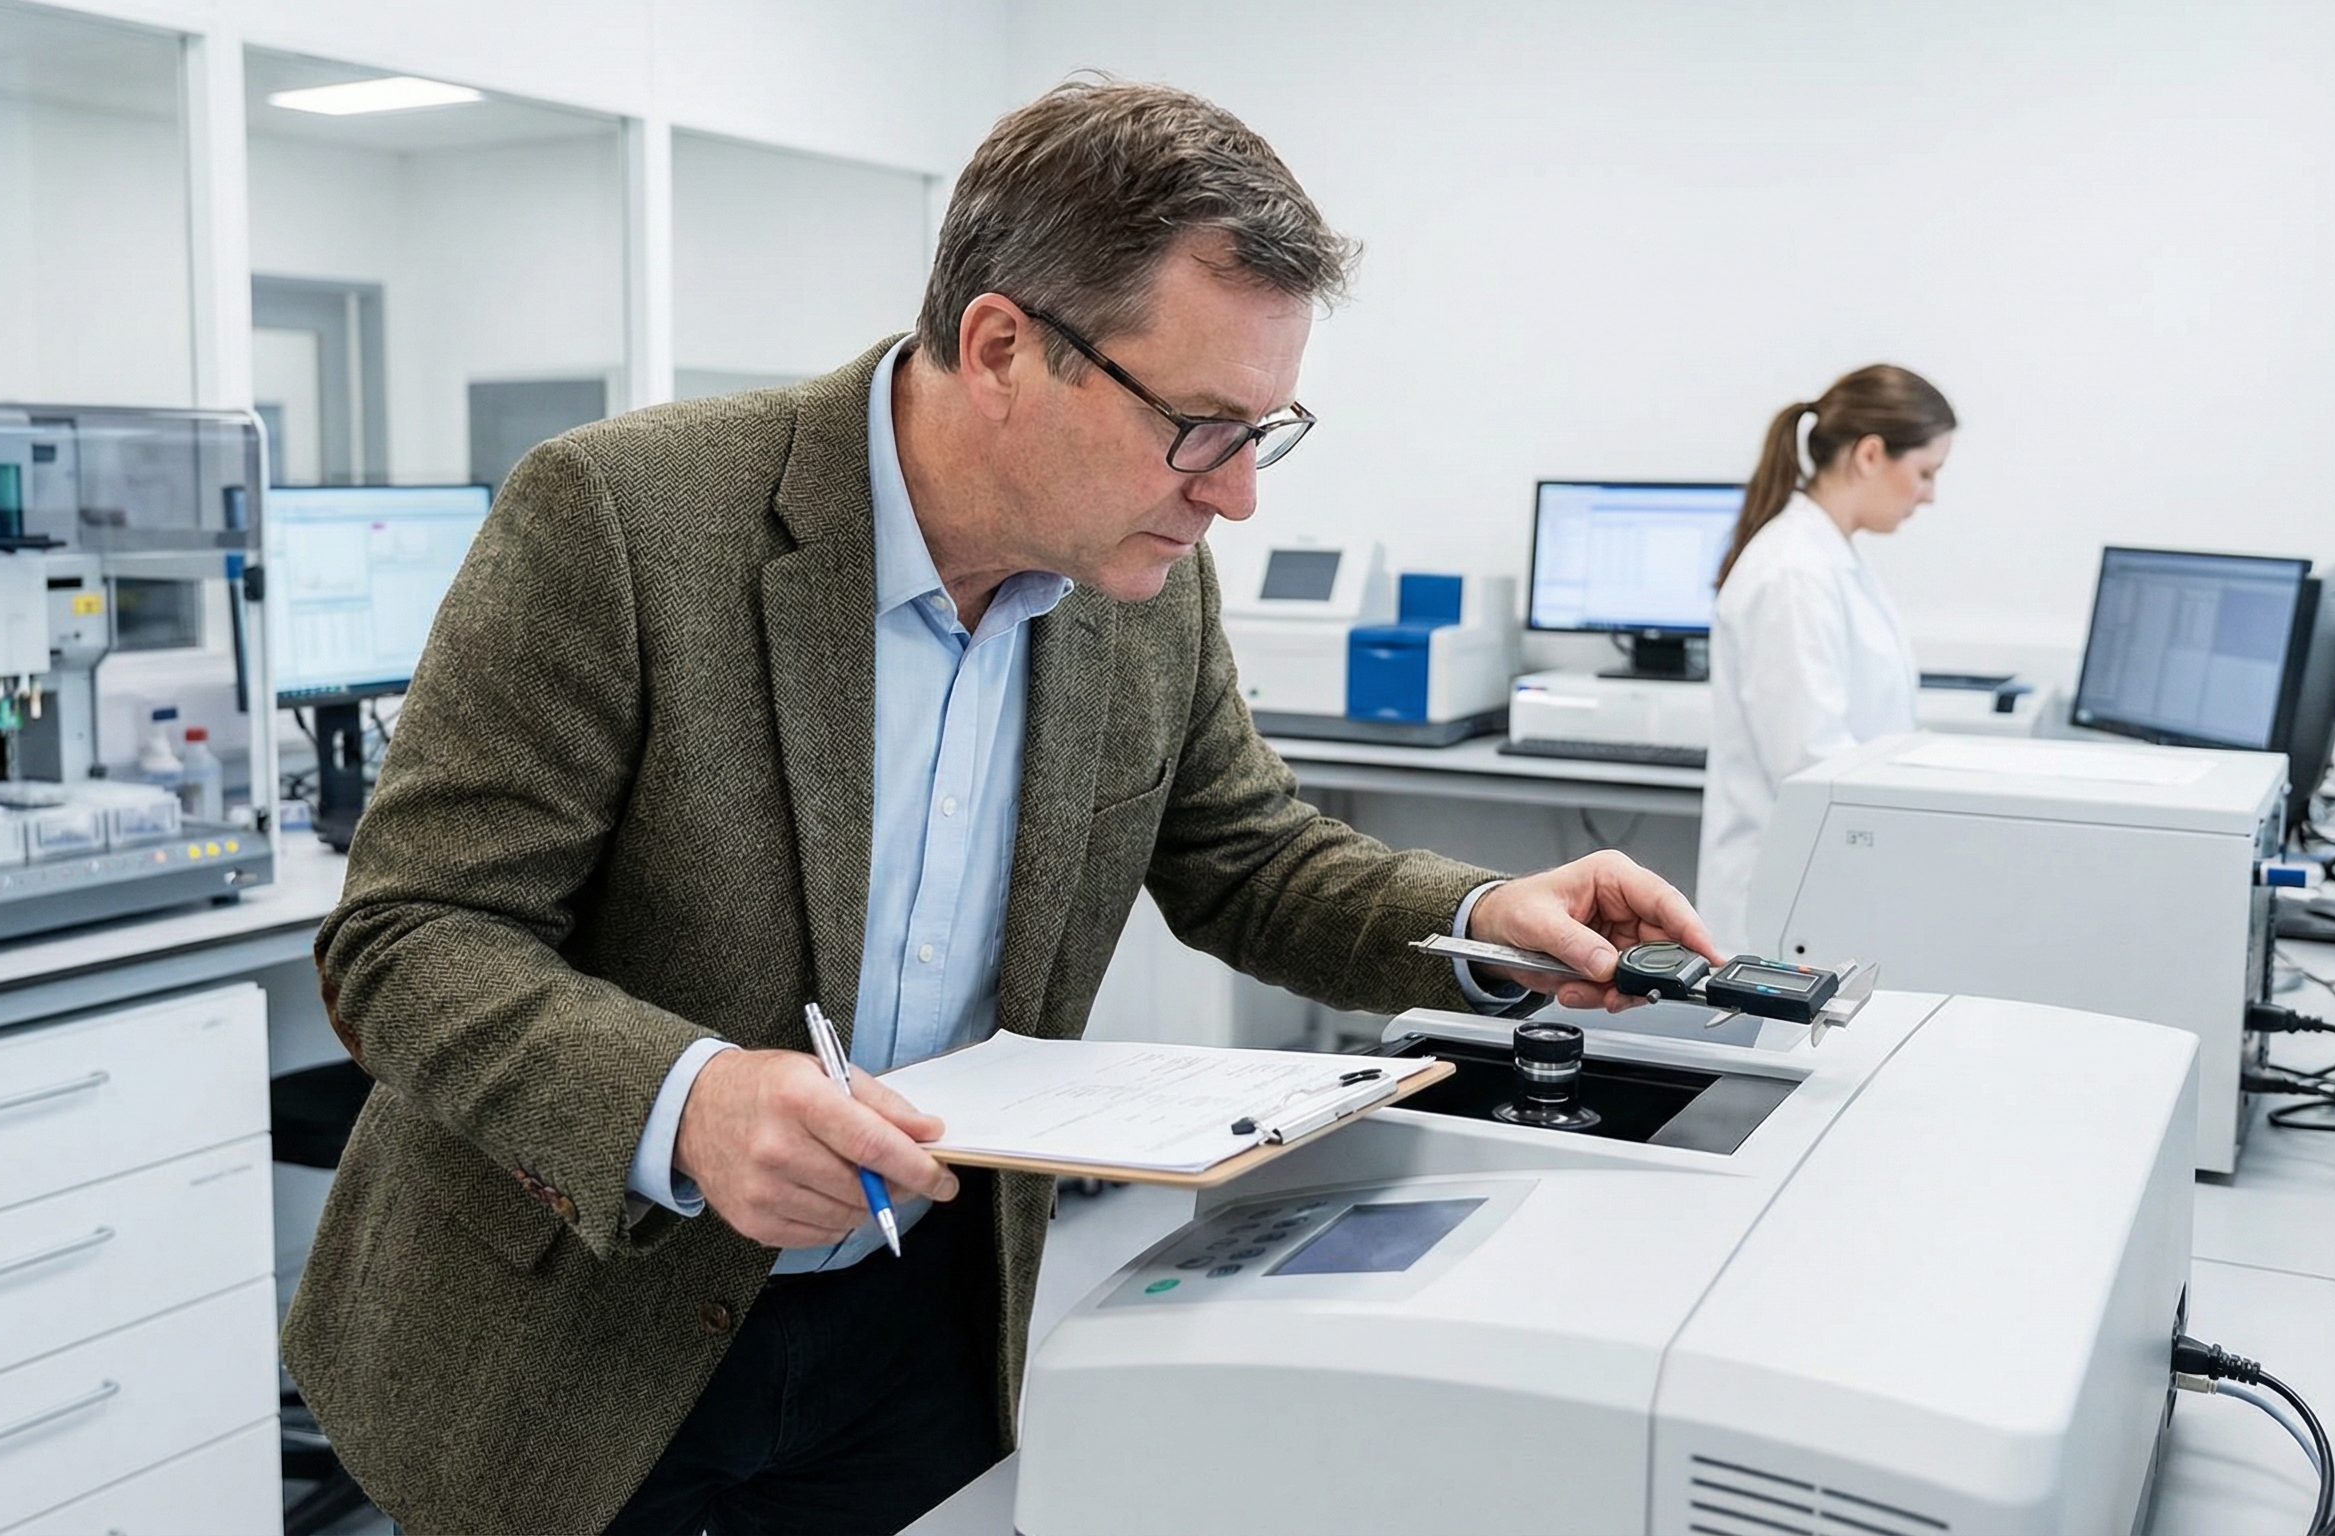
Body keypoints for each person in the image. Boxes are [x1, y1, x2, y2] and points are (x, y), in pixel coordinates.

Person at [283, 79, 1718, 1536]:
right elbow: (409, 937)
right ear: (1000, 348)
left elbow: (1243, 854)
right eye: (1201, 427)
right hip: (578, 1326)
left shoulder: (1141, 581)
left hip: (927, 1319)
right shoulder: (623, 520)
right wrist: (692, 1101)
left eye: (1262, 434)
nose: (1236, 501)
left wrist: (1477, 919)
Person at [1695, 365, 1957, 951]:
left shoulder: (1828, 558)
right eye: (1924, 472)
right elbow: (1808, 763)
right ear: (1869, 454)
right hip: (1791, 900)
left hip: (1831, 885)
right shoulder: (1793, 572)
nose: (1930, 495)